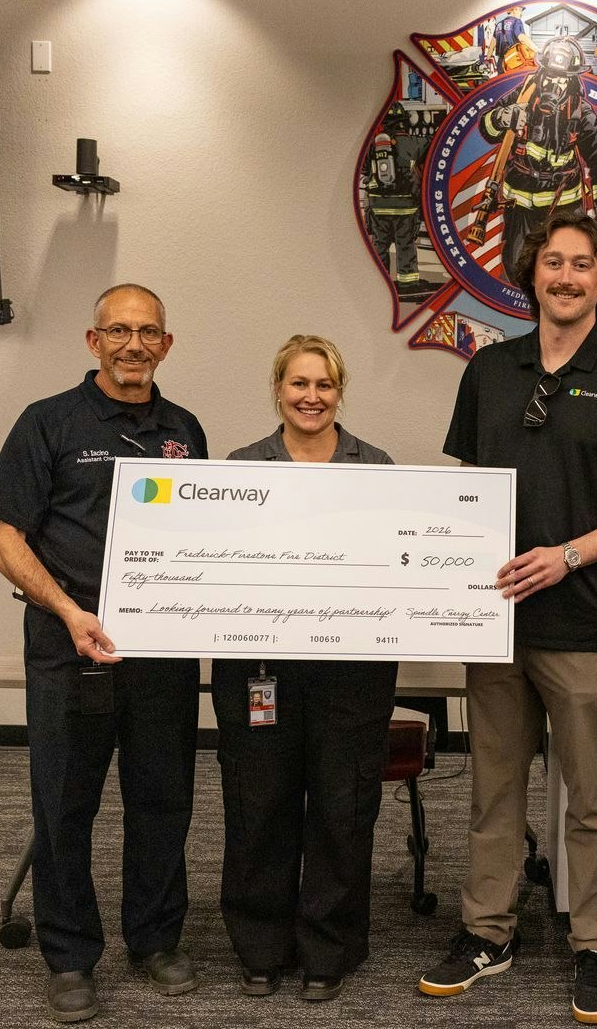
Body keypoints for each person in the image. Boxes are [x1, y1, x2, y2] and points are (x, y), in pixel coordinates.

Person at [418, 212, 597, 1024]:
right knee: (493, 791)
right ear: (530, 277)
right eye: (553, 264)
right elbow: (465, 495)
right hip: (491, 624)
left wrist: (567, 555)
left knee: (589, 796)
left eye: (582, 266)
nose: (566, 277)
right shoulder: (489, 371)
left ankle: (592, 944)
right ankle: (485, 932)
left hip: (582, 622)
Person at [0, 284, 207, 1024]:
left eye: (148, 333)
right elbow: (1, 539)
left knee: (162, 801)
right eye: (118, 331)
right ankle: (71, 958)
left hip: (160, 653)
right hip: (68, 646)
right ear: (92, 340)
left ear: (166, 345)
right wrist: (71, 611)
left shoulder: (186, 430)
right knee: (64, 807)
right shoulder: (48, 423)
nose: (133, 344)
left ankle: (155, 941)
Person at [210, 334, 399, 1003]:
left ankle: (329, 947)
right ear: (277, 390)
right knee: (258, 804)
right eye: (298, 384)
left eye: (323, 384)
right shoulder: (240, 468)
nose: (311, 396)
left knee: (341, 807)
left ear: (338, 392)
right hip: (260, 667)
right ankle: (261, 945)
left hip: (352, 673)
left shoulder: (375, 467)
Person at [479, 36, 597, 274]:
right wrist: (502, 117)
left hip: (565, 206)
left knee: (568, 267)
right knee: (516, 268)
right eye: (551, 75)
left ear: (572, 79)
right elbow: (486, 130)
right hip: (520, 204)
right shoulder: (522, 97)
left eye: (562, 78)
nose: (555, 83)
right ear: (542, 72)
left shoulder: (581, 113)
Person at [363, 103, 435, 300]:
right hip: (405, 207)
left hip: (378, 207)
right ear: (405, 123)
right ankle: (408, 283)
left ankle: (379, 281)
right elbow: (433, 147)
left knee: (380, 245)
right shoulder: (415, 143)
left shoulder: (372, 145)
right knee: (405, 245)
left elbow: (364, 171)